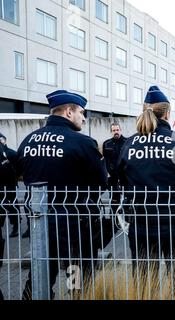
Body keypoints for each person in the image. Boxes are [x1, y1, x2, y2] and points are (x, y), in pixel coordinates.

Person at [17, 90, 107, 299]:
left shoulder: (28, 141)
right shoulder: (82, 142)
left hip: (40, 223)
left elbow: (20, 172)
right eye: (81, 113)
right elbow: (101, 182)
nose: (84, 118)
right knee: (75, 276)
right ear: (68, 112)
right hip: (74, 225)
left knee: (39, 276)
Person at [117, 86, 175, 275]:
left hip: (142, 223)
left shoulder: (130, 143)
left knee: (145, 284)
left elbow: (121, 181)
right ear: (167, 113)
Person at [0, 133, 20, 238]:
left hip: (10, 184)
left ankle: (15, 226)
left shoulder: (11, 153)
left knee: (12, 205)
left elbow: (19, 166)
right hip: (3, 184)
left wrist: (15, 177)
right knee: (2, 206)